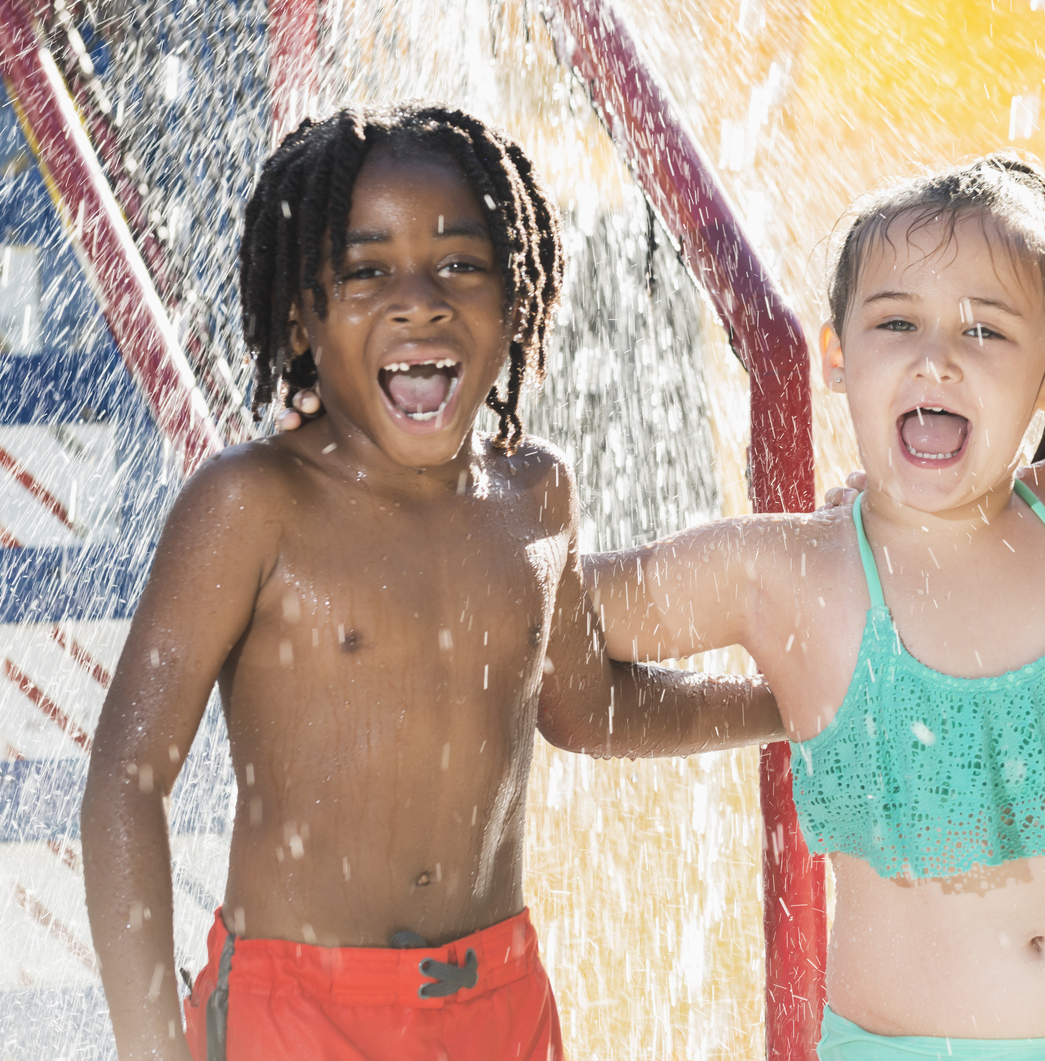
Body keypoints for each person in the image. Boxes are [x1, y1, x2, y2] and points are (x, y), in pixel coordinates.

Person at [81, 105, 779, 1061]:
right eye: (366, 270)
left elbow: (591, 711)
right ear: (299, 313)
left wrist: (791, 702)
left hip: (497, 1003)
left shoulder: (534, 494)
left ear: (517, 299)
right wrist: (151, 1047)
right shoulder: (254, 502)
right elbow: (127, 777)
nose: (421, 298)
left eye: (462, 263)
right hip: (296, 1011)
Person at [587, 154, 1045, 1060]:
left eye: (984, 332)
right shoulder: (791, 571)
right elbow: (561, 616)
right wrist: (768, 708)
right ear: (838, 355)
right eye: (896, 322)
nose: (935, 357)